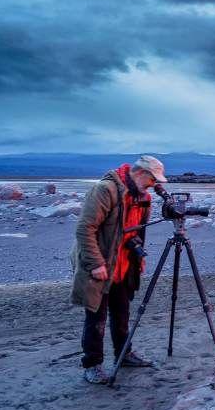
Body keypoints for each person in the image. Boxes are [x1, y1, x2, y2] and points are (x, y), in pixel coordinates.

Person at [70, 155, 167, 384]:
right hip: (100, 263)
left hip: (123, 265)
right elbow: (85, 229)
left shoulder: (142, 197)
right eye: (153, 179)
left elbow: (137, 232)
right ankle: (92, 365)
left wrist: (138, 260)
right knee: (97, 317)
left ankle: (123, 354)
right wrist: (96, 264)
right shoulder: (106, 190)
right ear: (141, 174)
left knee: (121, 313)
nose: (155, 185)